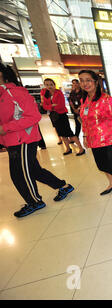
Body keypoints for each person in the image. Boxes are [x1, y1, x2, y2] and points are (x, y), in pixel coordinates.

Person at [0, 63, 74, 218]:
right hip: (13, 139)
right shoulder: (3, 93)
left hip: (23, 139)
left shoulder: (15, 92)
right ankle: (63, 186)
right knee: (33, 170)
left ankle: (34, 201)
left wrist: (5, 128)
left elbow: (34, 116)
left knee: (19, 173)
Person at [79, 70, 112, 196]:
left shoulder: (106, 99)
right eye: (81, 80)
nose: (85, 83)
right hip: (94, 140)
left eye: (88, 80)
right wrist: (84, 136)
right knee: (102, 164)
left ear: (95, 81)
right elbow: (84, 120)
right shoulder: (84, 100)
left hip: (109, 138)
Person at [41, 78, 85, 156]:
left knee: (69, 132)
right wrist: (52, 106)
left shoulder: (59, 93)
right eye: (47, 85)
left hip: (62, 115)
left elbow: (60, 105)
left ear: (54, 85)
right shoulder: (46, 94)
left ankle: (81, 148)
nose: (49, 86)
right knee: (61, 133)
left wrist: (49, 106)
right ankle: (68, 148)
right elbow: (44, 106)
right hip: (53, 116)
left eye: (51, 84)